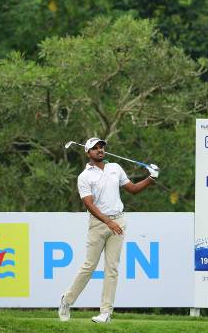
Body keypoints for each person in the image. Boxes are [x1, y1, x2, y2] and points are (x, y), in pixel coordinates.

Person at [58, 137, 159, 323]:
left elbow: (133, 189)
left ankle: (106, 313)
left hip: (118, 221)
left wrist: (151, 178)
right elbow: (89, 205)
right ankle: (67, 300)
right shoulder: (84, 176)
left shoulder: (115, 168)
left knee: (112, 268)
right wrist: (107, 222)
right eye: (95, 148)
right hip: (98, 224)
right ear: (88, 153)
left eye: (101, 147)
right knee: (89, 266)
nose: (100, 150)